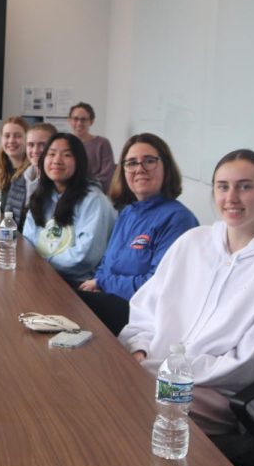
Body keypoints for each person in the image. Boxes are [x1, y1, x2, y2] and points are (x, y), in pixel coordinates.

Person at [118, 148, 254, 435]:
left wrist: (168, 371)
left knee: (131, 407)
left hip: (219, 392)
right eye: (223, 187)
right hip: (156, 370)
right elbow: (147, 307)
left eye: (244, 187)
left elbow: (251, 362)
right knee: (106, 388)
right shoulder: (193, 241)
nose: (231, 198)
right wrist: (140, 349)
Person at [77, 133, 199, 335]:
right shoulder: (127, 212)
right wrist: (98, 282)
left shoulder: (178, 219)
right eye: (131, 163)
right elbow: (106, 263)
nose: (140, 169)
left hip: (146, 318)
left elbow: (156, 287)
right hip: (111, 301)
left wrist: (102, 283)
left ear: (166, 167)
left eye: (149, 161)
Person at [21, 132, 115, 284]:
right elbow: (27, 242)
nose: (57, 160)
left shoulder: (94, 200)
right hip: (39, 276)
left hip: (76, 285)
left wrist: (40, 263)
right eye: (51, 154)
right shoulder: (41, 196)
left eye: (67, 155)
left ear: (80, 162)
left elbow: (84, 258)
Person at [7, 122, 55, 229]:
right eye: (31, 144)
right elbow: (8, 218)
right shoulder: (18, 179)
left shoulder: (57, 183)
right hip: (17, 242)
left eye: (42, 145)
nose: (35, 150)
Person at [67, 102, 116, 191]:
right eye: (75, 119)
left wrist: (83, 188)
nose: (79, 123)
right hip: (67, 193)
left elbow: (107, 176)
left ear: (91, 122)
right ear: (69, 120)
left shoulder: (102, 143)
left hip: (93, 193)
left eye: (84, 119)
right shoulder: (65, 143)